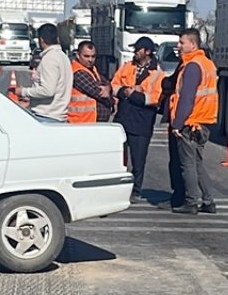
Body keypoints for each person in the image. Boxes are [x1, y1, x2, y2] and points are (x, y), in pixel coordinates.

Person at [169, 28, 218, 214]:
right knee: (197, 163)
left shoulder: (193, 66)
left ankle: (191, 202)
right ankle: (208, 201)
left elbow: (187, 98)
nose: (178, 46)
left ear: (193, 44)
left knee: (188, 164)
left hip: (191, 122)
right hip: (203, 121)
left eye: (182, 42)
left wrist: (178, 124)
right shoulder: (206, 64)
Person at [111, 37, 164, 202]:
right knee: (117, 157)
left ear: (147, 52)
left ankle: (136, 189)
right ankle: (117, 187)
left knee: (138, 159)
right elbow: (114, 85)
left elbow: (155, 99)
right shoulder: (128, 67)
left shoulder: (158, 74)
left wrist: (135, 95)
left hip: (142, 121)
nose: (135, 52)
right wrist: (125, 91)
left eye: (138, 49)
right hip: (123, 118)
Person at [16, 23, 71, 122]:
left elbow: (48, 90)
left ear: (41, 40)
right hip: (58, 115)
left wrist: (23, 92)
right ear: (57, 38)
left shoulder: (49, 59)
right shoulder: (63, 57)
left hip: (47, 116)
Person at [68, 41, 112, 124]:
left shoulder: (92, 70)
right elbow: (98, 92)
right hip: (81, 121)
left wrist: (108, 88)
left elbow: (107, 83)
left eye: (93, 56)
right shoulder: (78, 72)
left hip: (90, 121)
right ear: (78, 55)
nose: (90, 60)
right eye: (86, 56)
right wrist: (111, 100)